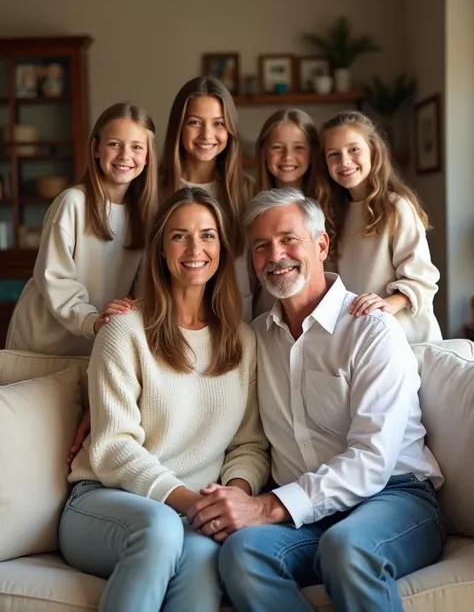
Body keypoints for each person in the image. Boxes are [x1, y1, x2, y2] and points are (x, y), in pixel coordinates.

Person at [188, 187, 445, 612]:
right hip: (307, 513)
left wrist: (268, 506)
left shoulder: (371, 330)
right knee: (242, 553)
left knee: (348, 548)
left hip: (392, 497)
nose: (276, 255)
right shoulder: (256, 338)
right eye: (261, 246)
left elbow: (373, 459)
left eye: (289, 239)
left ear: (321, 245)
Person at [59, 187, 269, 612]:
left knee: (202, 560)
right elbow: (114, 448)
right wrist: (194, 504)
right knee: (160, 529)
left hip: (193, 515)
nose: (196, 248)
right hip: (106, 502)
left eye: (208, 235)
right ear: (160, 249)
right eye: (180, 236)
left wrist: (232, 499)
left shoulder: (243, 342)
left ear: (224, 249)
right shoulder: (123, 331)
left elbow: (249, 445)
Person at [6, 102, 158, 357]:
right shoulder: (72, 203)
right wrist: (91, 321)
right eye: (114, 144)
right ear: (96, 149)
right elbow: (55, 279)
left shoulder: (145, 216)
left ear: (148, 157)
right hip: (44, 345)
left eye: (136, 147)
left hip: (96, 342)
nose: (125, 155)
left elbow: (141, 288)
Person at [315, 110, 442, 344]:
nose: (344, 161)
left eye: (354, 149)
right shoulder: (331, 215)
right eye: (334, 154)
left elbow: (422, 279)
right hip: (364, 338)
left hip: (409, 337)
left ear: (373, 151)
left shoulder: (396, 208)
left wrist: (387, 304)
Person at [160, 76, 254, 322]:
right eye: (194, 122)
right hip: (167, 321)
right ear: (178, 126)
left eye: (218, 124)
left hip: (235, 319)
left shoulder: (248, 191)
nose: (207, 135)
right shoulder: (154, 189)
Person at [253, 108, 319, 315]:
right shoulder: (252, 207)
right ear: (264, 151)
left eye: (299, 147)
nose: (288, 157)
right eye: (277, 147)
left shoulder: (329, 205)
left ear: (312, 152)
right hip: (267, 314)